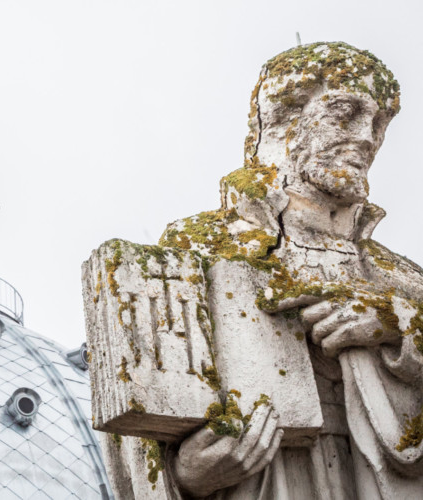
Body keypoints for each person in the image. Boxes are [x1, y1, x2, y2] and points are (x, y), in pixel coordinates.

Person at [149, 42, 422, 499]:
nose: (366, 137)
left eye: (378, 123)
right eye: (345, 113)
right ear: (286, 120)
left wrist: (399, 326)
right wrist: (190, 473)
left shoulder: (399, 277)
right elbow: (145, 410)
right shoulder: (198, 248)